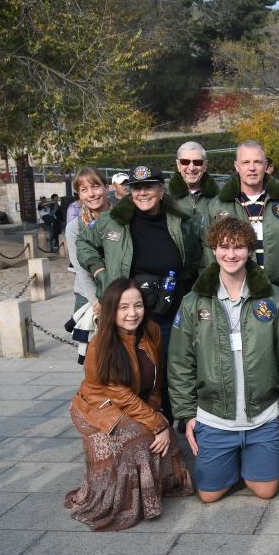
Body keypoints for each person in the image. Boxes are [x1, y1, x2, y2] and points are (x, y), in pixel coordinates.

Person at [167, 216, 279, 503]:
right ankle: (229, 457)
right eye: (223, 247)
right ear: (213, 250)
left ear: (250, 250)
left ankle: (251, 457)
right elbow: (180, 361)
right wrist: (186, 415)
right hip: (215, 417)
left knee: (265, 492)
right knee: (208, 494)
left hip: (262, 417)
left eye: (239, 247)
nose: (231, 254)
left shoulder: (275, 299)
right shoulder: (194, 302)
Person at [77, 164, 202, 422]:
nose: (142, 193)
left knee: (171, 367)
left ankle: (172, 418)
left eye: (148, 187)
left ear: (161, 189)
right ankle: (139, 421)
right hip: (131, 312)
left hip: (171, 308)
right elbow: (84, 243)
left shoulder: (181, 222)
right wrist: (100, 271)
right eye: (136, 188)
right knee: (133, 368)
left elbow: (196, 258)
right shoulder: (114, 221)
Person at [66, 279, 193, 530]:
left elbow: (156, 381)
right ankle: (125, 501)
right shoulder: (99, 345)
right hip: (99, 408)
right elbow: (120, 395)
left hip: (135, 403)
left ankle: (158, 486)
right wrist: (157, 424)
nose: (132, 313)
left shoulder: (152, 331)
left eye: (137, 305)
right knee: (141, 439)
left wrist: (157, 412)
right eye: (123, 307)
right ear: (111, 310)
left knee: (164, 440)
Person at [208, 140, 279, 319]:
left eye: (257, 162)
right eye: (246, 162)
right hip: (236, 296)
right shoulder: (217, 206)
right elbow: (208, 252)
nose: (252, 168)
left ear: (266, 166)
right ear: (237, 166)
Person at [65, 167, 112, 314]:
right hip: (89, 297)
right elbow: (81, 269)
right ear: (79, 194)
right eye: (84, 189)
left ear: (106, 188)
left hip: (121, 292)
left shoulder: (123, 218)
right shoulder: (75, 228)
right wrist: (95, 301)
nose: (91, 194)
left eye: (95, 187)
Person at [168, 141, 219, 221]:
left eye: (197, 162)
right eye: (185, 162)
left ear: (205, 165)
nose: (191, 168)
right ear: (178, 165)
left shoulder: (220, 196)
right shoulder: (164, 196)